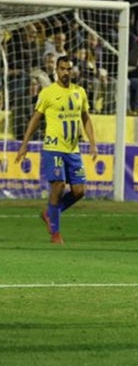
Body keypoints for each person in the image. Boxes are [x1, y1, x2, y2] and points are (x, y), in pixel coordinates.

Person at [15, 56, 98, 244]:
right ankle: (56, 233)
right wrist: (24, 144)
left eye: (69, 69)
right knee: (58, 185)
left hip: (73, 149)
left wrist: (92, 142)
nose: (66, 72)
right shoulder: (48, 93)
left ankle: (50, 213)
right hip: (53, 147)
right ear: (56, 70)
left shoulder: (80, 92)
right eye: (62, 69)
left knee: (79, 191)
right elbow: (35, 119)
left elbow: (85, 117)